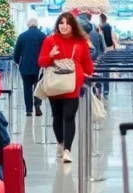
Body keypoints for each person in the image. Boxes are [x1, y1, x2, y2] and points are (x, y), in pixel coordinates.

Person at [37, 12, 95, 164]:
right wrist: (51, 56)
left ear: (73, 25)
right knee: (57, 116)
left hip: (73, 84)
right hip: (55, 83)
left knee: (69, 116)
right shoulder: (50, 40)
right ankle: (61, 143)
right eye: (61, 23)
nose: (64, 26)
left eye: (67, 23)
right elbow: (41, 62)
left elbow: (87, 63)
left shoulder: (81, 42)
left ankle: (67, 150)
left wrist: (89, 73)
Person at [14, 18, 46, 117]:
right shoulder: (43, 36)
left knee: (27, 88)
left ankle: (28, 109)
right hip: (39, 66)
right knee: (38, 86)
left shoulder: (22, 36)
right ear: (37, 25)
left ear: (28, 25)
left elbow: (16, 52)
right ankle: (37, 105)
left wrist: (17, 61)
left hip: (25, 67)